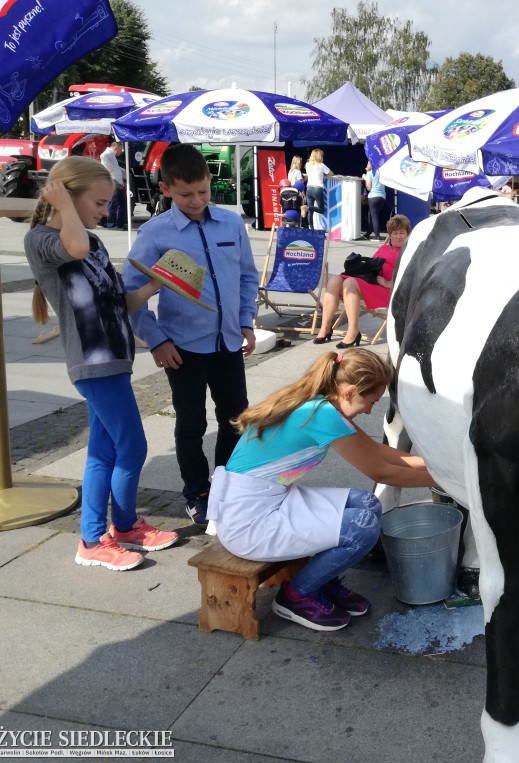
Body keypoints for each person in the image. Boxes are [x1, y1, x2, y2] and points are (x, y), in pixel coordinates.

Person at [207, 348, 435, 631]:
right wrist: (440, 481)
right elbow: (380, 471)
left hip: (263, 502)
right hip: (248, 523)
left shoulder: (320, 404)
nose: (370, 410)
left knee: (368, 504)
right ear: (350, 391)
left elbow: (378, 451)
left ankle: (321, 579)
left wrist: (438, 466)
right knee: (362, 528)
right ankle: (297, 595)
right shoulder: (323, 416)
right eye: (371, 401)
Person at [24, 156, 179, 570]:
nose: (106, 211)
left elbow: (115, 303)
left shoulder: (92, 242)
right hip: (92, 363)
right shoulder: (42, 240)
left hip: (116, 358)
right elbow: (70, 246)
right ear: (67, 197)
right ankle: (118, 529)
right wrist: (63, 206)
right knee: (133, 446)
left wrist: (153, 286)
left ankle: (97, 536)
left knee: (103, 452)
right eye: (98, 202)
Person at [123, 143, 259, 528]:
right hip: (182, 348)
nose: (196, 200)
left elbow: (248, 276)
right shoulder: (154, 234)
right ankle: (197, 492)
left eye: (203, 191)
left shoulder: (232, 224)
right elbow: (131, 295)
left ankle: (228, 485)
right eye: (186, 194)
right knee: (191, 422)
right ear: (166, 189)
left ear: (210, 182)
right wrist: (157, 339)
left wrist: (246, 320)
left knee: (237, 417)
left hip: (228, 342)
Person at [314, 215, 410, 348]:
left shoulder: (409, 251)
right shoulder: (384, 249)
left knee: (350, 283)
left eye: (402, 232)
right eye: (395, 233)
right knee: (334, 280)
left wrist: (389, 283)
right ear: (390, 235)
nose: (398, 236)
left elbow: (409, 273)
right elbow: (372, 266)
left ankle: (353, 331)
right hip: (373, 283)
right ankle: (325, 328)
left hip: (390, 290)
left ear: (408, 234)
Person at [99, 141, 126, 230]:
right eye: (121, 149)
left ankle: (120, 223)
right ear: (116, 148)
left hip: (118, 181)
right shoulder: (105, 155)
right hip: (113, 181)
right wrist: (117, 171)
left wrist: (121, 171)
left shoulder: (111, 155)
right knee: (113, 203)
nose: (121, 151)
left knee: (122, 203)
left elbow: (114, 167)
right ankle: (111, 223)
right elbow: (109, 168)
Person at [304, 149, 331, 231]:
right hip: (317, 188)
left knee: (310, 212)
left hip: (309, 188)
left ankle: (311, 229)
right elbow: (331, 174)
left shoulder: (308, 164)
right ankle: (308, 208)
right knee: (321, 209)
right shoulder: (321, 165)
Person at [363, 161, 388, 241]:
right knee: (373, 215)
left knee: (374, 217)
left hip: (373, 196)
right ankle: (367, 234)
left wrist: (365, 178)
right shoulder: (382, 172)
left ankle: (377, 236)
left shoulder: (370, 173)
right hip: (382, 196)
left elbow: (368, 187)